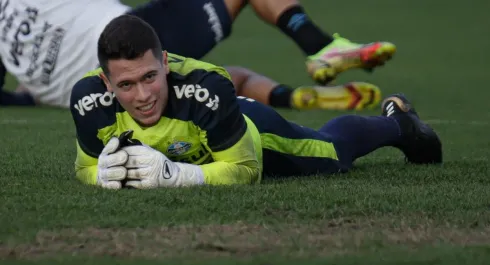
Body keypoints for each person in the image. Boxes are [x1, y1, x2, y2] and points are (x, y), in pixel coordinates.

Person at [70, 15, 440, 189]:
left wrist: (175, 176)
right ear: (106, 82)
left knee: (331, 154)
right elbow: (86, 168)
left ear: (165, 62)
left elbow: (245, 171)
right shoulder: (89, 102)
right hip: (197, 147)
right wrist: (101, 177)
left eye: (150, 77)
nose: (143, 95)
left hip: (248, 133)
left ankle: (399, 123)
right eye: (127, 85)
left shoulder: (206, 88)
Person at [0, 0, 393, 110]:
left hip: (101, 89)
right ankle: (321, 46)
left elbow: (12, 96)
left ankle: (290, 98)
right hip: (129, 40)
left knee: (223, 79)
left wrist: (31, 94)